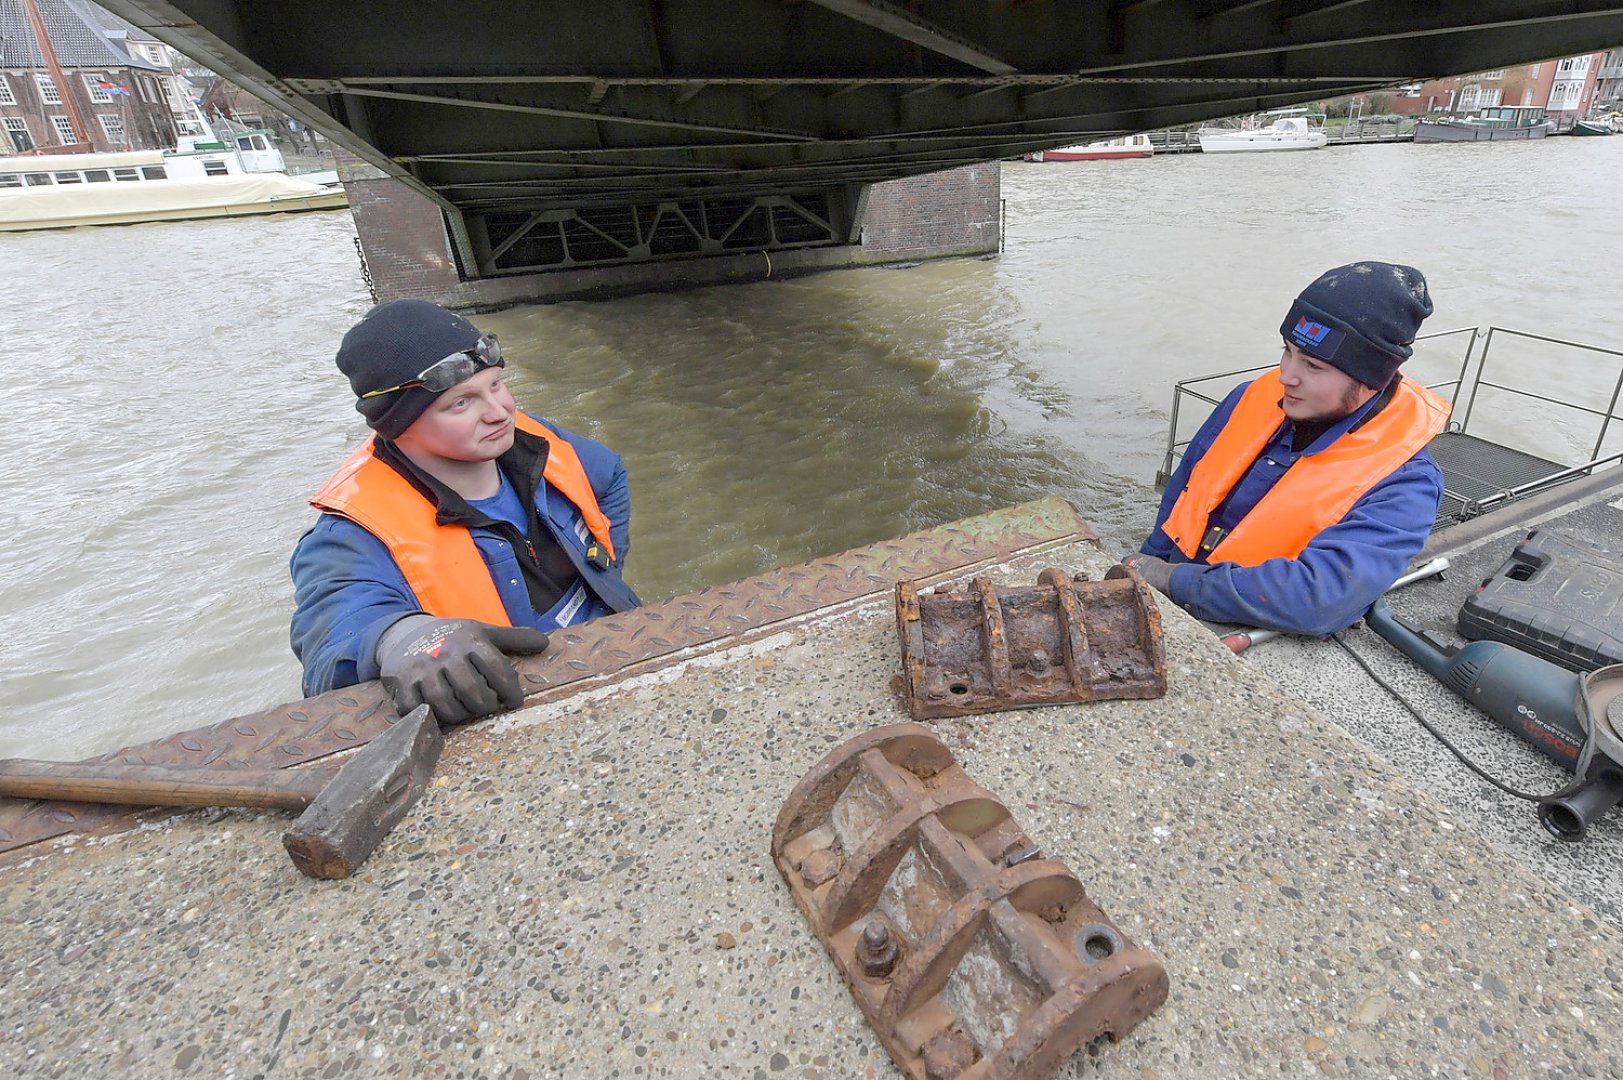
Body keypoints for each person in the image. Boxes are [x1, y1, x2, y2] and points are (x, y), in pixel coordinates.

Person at [290, 299, 641, 722]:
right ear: (396, 423)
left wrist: (605, 570)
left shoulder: (534, 440)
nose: (500, 412)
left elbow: (610, 478)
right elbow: (332, 639)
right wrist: (403, 637)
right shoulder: (353, 531)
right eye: (461, 403)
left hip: (616, 657)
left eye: (496, 384)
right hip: (506, 705)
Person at [1127, 261, 1449, 637]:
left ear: (1369, 380)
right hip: (1172, 586)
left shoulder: (1407, 484)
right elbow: (1183, 494)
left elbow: (1319, 598)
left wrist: (1172, 581)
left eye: (1313, 365)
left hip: (1244, 624)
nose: (1286, 376)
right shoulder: (1250, 398)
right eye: (1288, 350)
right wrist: (1146, 561)